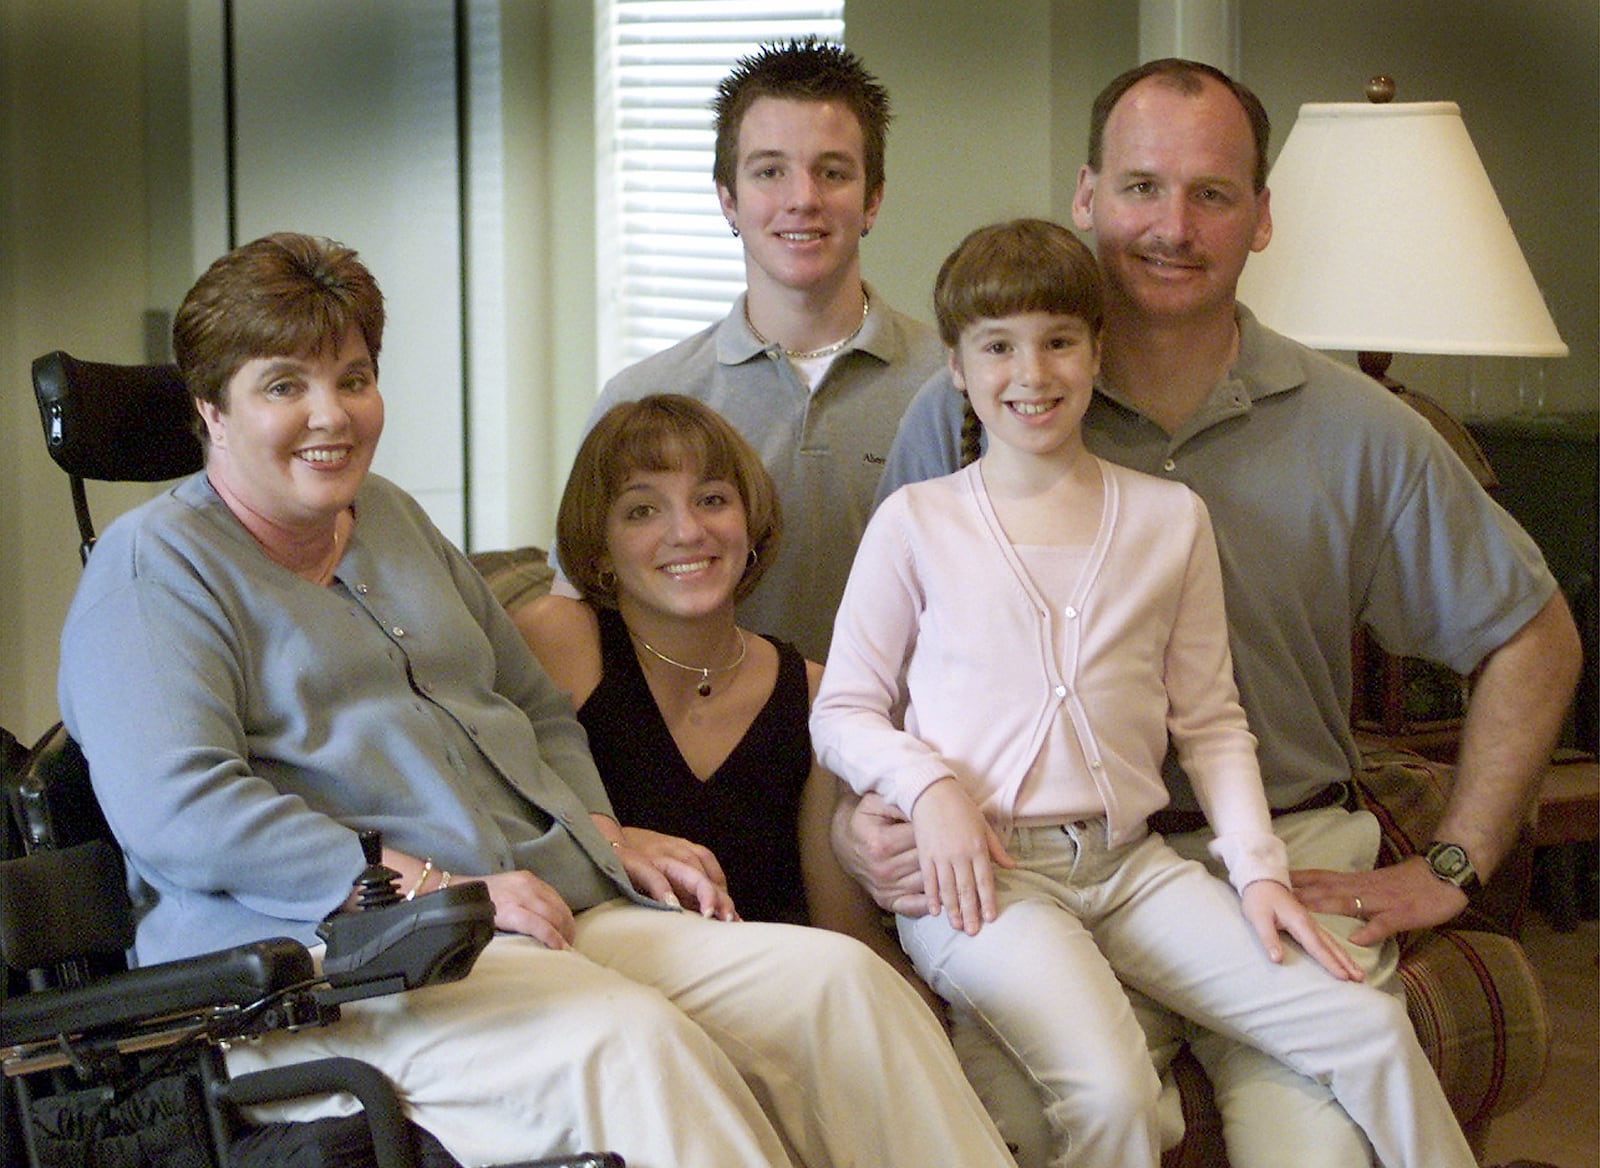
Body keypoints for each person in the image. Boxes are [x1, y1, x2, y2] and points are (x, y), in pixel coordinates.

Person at [55, 232, 1018, 1168]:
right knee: (632, 1047)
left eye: (352, 378)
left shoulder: (389, 518)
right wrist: (432, 888)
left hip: (530, 911)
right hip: (327, 974)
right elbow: (181, 810)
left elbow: (532, 705)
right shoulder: (155, 570)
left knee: (840, 990)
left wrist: (599, 831)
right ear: (210, 413)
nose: (331, 415)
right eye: (283, 386)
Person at [839, 60, 1582, 1167]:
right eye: (1140, 187)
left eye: (1212, 194)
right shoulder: (956, 426)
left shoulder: (1361, 431)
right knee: (1069, 1118)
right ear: (1087, 196)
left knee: (1321, 1148)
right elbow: (866, 691)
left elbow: (1533, 634)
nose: (1170, 226)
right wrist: (871, 824)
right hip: (1017, 867)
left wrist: (1452, 863)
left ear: (1263, 217)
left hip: (1279, 846)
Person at [515, 393, 944, 1020]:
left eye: (712, 499)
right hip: (595, 999)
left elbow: (839, 923)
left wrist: (942, 1030)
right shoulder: (557, 640)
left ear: (750, 522)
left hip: (773, 1005)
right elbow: (486, 822)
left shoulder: (819, 696)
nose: (687, 530)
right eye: (642, 510)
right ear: (601, 548)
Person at [552, 37, 946, 662]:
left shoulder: (954, 387)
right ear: (727, 199)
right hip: (710, 749)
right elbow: (577, 612)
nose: (803, 198)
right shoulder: (644, 400)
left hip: (913, 750)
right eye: (770, 171)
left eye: (833, 171)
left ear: (872, 199)